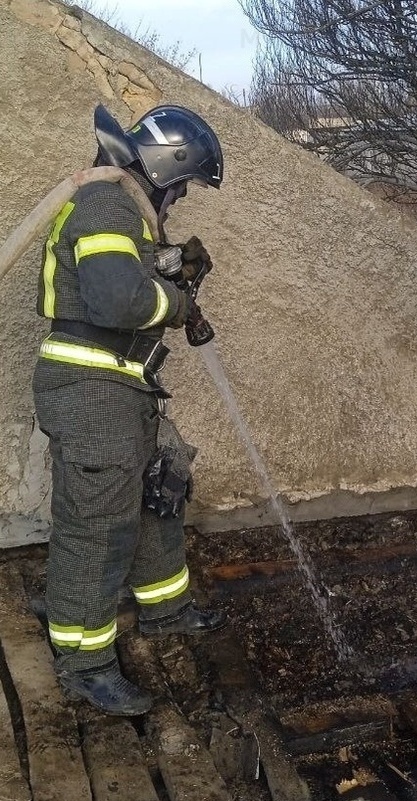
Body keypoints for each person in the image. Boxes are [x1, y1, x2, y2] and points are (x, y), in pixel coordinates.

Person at [33, 104, 226, 717]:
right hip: (91, 391)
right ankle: (85, 662)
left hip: (124, 384)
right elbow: (118, 301)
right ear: (168, 166)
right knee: (99, 525)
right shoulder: (106, 205)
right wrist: (175, 300)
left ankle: (165, 609)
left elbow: (124, 273)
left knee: (161, 486)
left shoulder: (120, 211)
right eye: (184, 183)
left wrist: (169, 265)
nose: (180, 196)